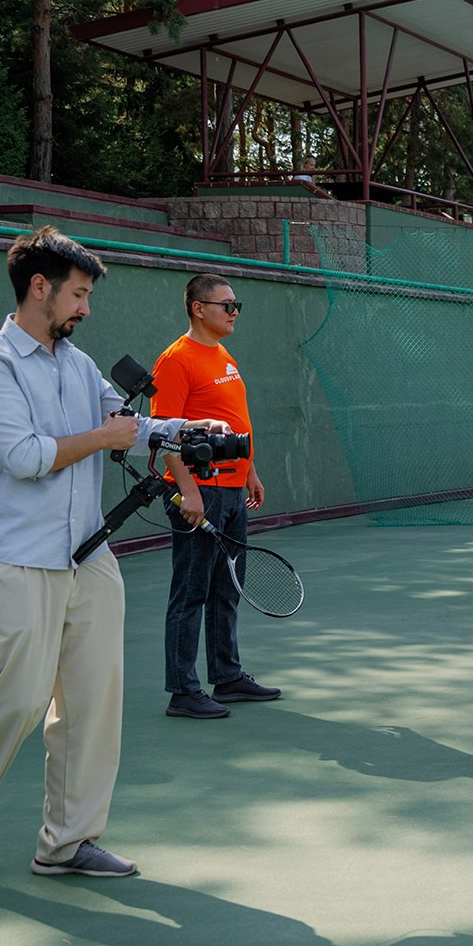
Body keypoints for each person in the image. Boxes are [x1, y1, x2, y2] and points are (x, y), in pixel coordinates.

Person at [0, 228, 212, 891]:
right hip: (18, 559)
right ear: (40, 288)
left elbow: (125, 427)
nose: (85, 308)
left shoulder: (76, 362)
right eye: (78, 294)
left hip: (89, 558)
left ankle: (68, 840)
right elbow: (25, 456)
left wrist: (188, 435)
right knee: (18, 697)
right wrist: (108, 434)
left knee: (92, 702)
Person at [153, 273, 281, 719]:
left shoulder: (223, 354)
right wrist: (187, 490)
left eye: (236, 304)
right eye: (226, 304)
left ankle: (226, 677)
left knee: (228, 586)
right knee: (191, 592)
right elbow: (163, 434)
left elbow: (233, 418)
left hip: (231, 489)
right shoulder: (176, 359)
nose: (234, 312)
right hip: (200, 491)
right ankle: (182, 691)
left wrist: (250, 472)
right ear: (197, 308)